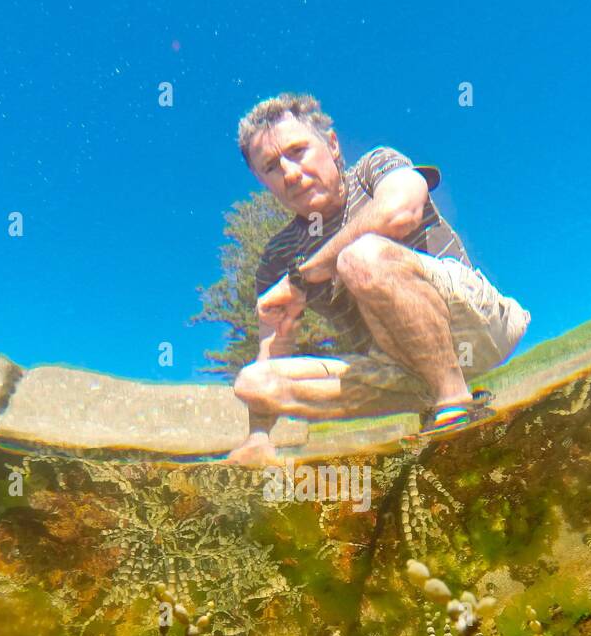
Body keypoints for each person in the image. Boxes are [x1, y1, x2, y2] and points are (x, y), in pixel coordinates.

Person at [226, 92, 531, 465]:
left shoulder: (374, 168)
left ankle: (455, 407)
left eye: (298, 151)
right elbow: (271, 346)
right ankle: (435, 397)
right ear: (262, 181)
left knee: (360, 256)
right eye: (272, 166)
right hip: (399, 367)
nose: (289, 172)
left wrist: (306, 276)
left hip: (477, 327)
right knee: (253, 382)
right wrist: (259, 436)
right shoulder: (277, 257)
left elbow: (400, 211)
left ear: (333, 145)